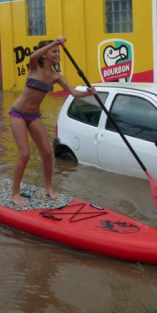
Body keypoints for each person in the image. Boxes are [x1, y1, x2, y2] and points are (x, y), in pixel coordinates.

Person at [8, 37, 96, 207]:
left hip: (33, 116)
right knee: (25, 154)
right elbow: (33, 55)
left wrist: (89, 92)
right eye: (54, 51)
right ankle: (14, 194)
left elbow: (74, 92)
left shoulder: (56, 76)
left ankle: (48, 188)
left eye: (58, 52)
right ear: (45, 54)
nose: (57, 54)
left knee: (47, 153)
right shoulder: (34, 67)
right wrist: (55, 42)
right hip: (18, 114)